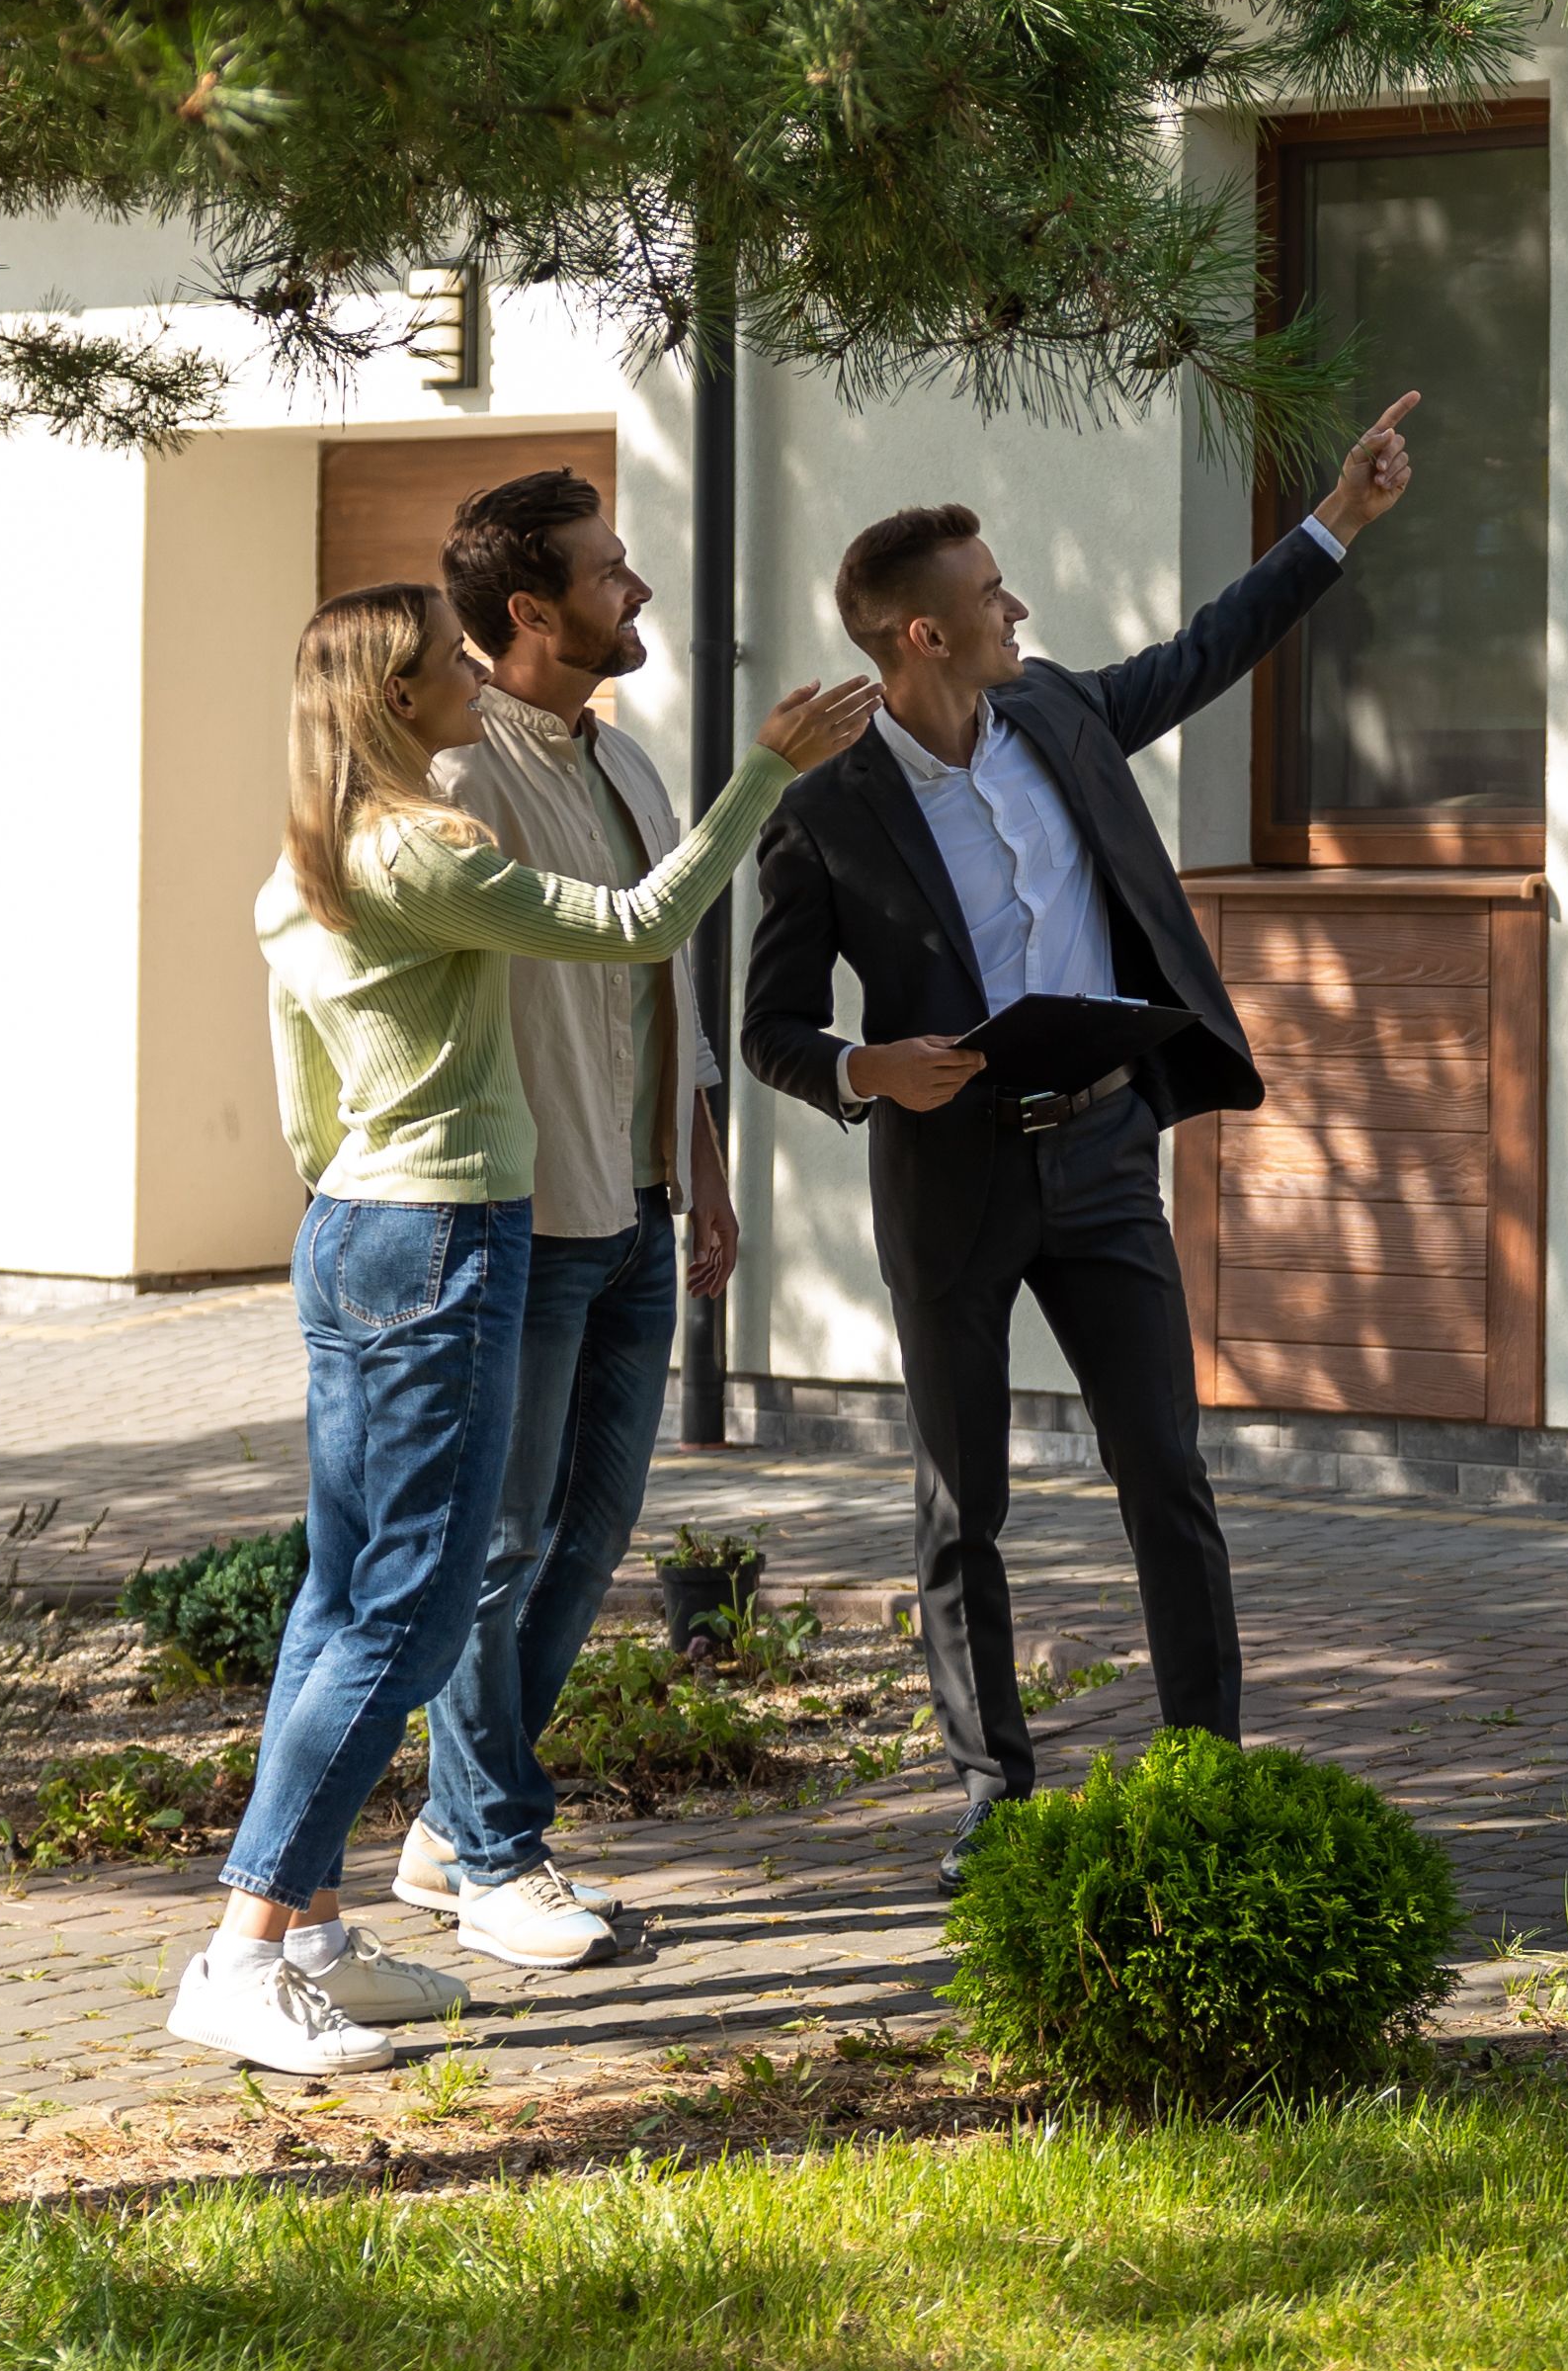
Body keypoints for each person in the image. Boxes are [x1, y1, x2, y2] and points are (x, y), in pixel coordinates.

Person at [174, 581, 875, 2078]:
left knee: (343, 1594)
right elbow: (642, 925)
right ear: (397, 700)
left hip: (353, 1231)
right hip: (446, 1237)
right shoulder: (423, 853)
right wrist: (764, 772)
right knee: (414, 1611)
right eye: (445, 670)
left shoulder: (297, 869)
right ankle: (241, 1948)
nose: (468, 685)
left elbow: (305, 1106)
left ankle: (301, 1932)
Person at [742, 397, 1419, 1884]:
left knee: (1164, 1469)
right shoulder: (828, 817)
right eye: (991, 596)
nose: (1017, 608)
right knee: (959, 1498)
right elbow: (772, 1027)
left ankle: (1205, 1772)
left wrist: (1338, 526)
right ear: (920, 636)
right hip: (949, 1172)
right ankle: (996, 1793)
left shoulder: (1055, 714)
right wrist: (866, 1067)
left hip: (1105, 1156)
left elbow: (1200, 654)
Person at [385, 466, 731, 1972]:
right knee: (498, 1543)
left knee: (588, 1535)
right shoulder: (462, 790)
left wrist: (703, 1171)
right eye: (610, 572)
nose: (638, 587)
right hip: (524, 1219)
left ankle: (455, 1819)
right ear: (532, 612)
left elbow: (671, 991)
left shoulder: (635, 767)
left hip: (640, 1206)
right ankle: (497, 1853)